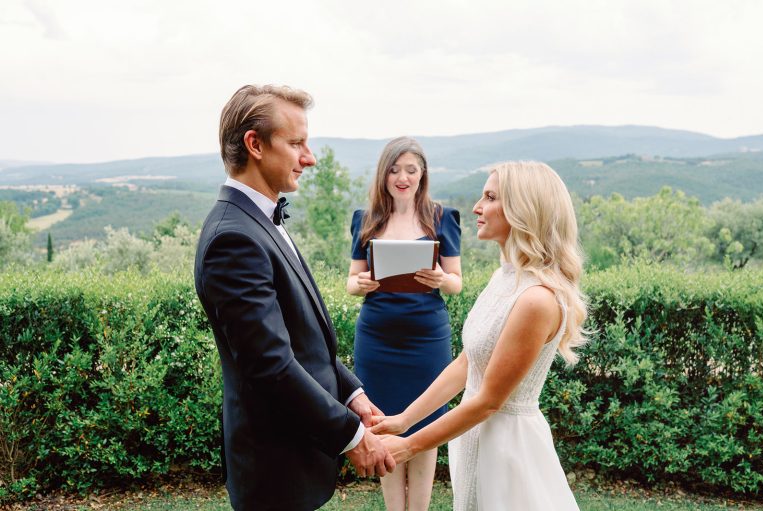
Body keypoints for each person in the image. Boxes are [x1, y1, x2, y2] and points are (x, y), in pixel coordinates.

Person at [194, 84, 395, 511]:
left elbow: (305, 342)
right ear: (255, 145)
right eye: (297, 143)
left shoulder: (261, 219)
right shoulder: (233, 238)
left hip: (297, 457)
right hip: (274, 468)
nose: (310, 157)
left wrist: (352, 394)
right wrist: (352, 437)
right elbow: (271, 367)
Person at [371, 161, 587, 510]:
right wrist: (404, 420)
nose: (476, 207)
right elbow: (467, 361)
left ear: (523, 210)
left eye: (489, 197)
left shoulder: (536, 299)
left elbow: (489, 401)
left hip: (508, 450)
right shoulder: (503, 278)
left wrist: (410, 445)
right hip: (476, 438)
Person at [346, 136, 463, 511]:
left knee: (426, 424)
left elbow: (457, 282)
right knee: (382, 422)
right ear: (384, 174)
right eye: (395, 170)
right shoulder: (366, 220)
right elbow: (351, 281)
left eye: (411, 170)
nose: (402, 177)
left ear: (422, 174)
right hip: (377, 339)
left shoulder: (442, 218)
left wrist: (440, 279)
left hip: (426, 341)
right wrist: (359, 284)